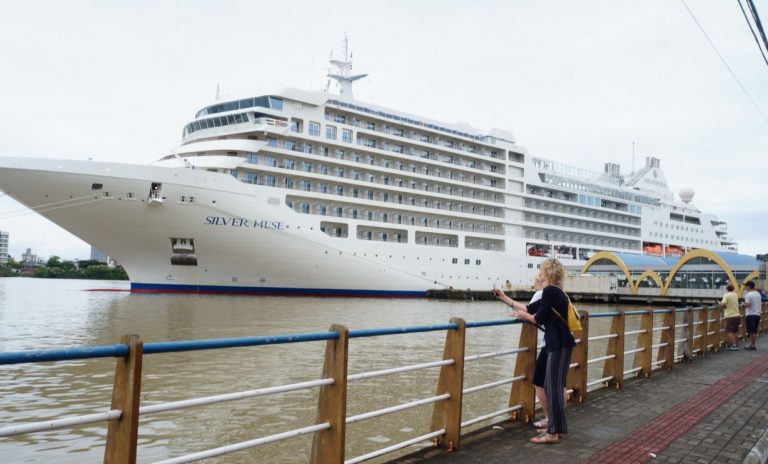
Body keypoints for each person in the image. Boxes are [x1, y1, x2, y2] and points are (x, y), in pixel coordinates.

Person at [495, 258, 575, 444]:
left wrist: (523, 316)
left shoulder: (549, 291)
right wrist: (504, 298)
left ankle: (552, 433)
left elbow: (537, 317)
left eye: (541, 271)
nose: (538, 274)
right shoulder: (555, 292)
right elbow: (531, 308)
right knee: (552, 385)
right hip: (560, 343)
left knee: (552, 387)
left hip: (558, 344)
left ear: (546, 273)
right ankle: (557, 429)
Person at [719, 283, 740, 350]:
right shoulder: (735, 294)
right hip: (737, 315)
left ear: (726, 289)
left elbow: (723, 304)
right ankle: (736, 344)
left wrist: (719, 303)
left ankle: (734, 346)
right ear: (733, 288)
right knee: (735, 331)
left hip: (730, 316)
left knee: (728, 331)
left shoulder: (726, 295)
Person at [743, 281, 761, 350]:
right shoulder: (758, 294)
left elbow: (748, 305)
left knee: (751, 331)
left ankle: (752, 345)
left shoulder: (748, 295)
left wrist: (743, 304)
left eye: (746, 286)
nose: (745, 287)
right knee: (755, 331)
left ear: (749, 286)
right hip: (757, 314)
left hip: (750, 314)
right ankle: (753, 344)